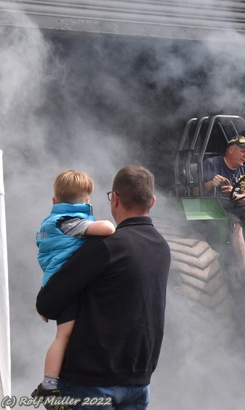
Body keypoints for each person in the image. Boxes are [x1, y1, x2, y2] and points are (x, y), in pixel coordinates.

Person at [36, 165, 171, 409]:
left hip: (91, 382)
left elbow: (48, 303)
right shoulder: (162, 247)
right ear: (152, 201)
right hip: (139, 382)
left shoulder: (107, 246)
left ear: (115, 199)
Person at [33, 170, 116, 402]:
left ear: (54, 201)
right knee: (64, 336)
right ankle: (48, 386)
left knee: (64, 335)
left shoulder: (49, 223)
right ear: (87, 201)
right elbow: (107, 229)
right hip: (67, 288)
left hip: (54, 283)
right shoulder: (70, 222)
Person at [200, 135, 245, 272]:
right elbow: (195, 191)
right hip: (218, 208)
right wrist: (211, 183)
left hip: (239, 208)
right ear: (231, 150)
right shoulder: (212, 164)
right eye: (243, 151)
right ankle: (244, 271)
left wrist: (233, 194)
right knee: (236, 225)